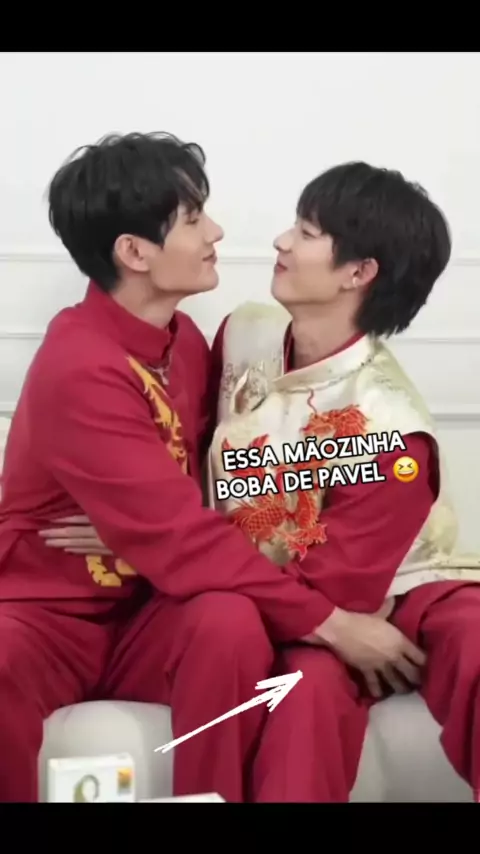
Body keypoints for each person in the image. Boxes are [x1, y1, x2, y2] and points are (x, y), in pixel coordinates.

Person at [55, 161, 480, 802]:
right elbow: (185, 450)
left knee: (312, 684)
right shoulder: (244, 333)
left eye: (306, 233)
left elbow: (328, 594)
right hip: (261, 593)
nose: (281, 241)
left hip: (384, 586)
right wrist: (143, 523)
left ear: (359, 272)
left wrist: (164, 541)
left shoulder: (391, 428)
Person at [0, 132, 355, 804]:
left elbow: (204, 492)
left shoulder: (186, 341)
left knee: (228, 622)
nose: (215, 232)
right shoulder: (79, 365)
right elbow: (178, 534)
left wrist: (138, 528)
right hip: (48, 616)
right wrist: (334, 622)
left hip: (150, 610)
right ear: (135, 253)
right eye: (194, 219)